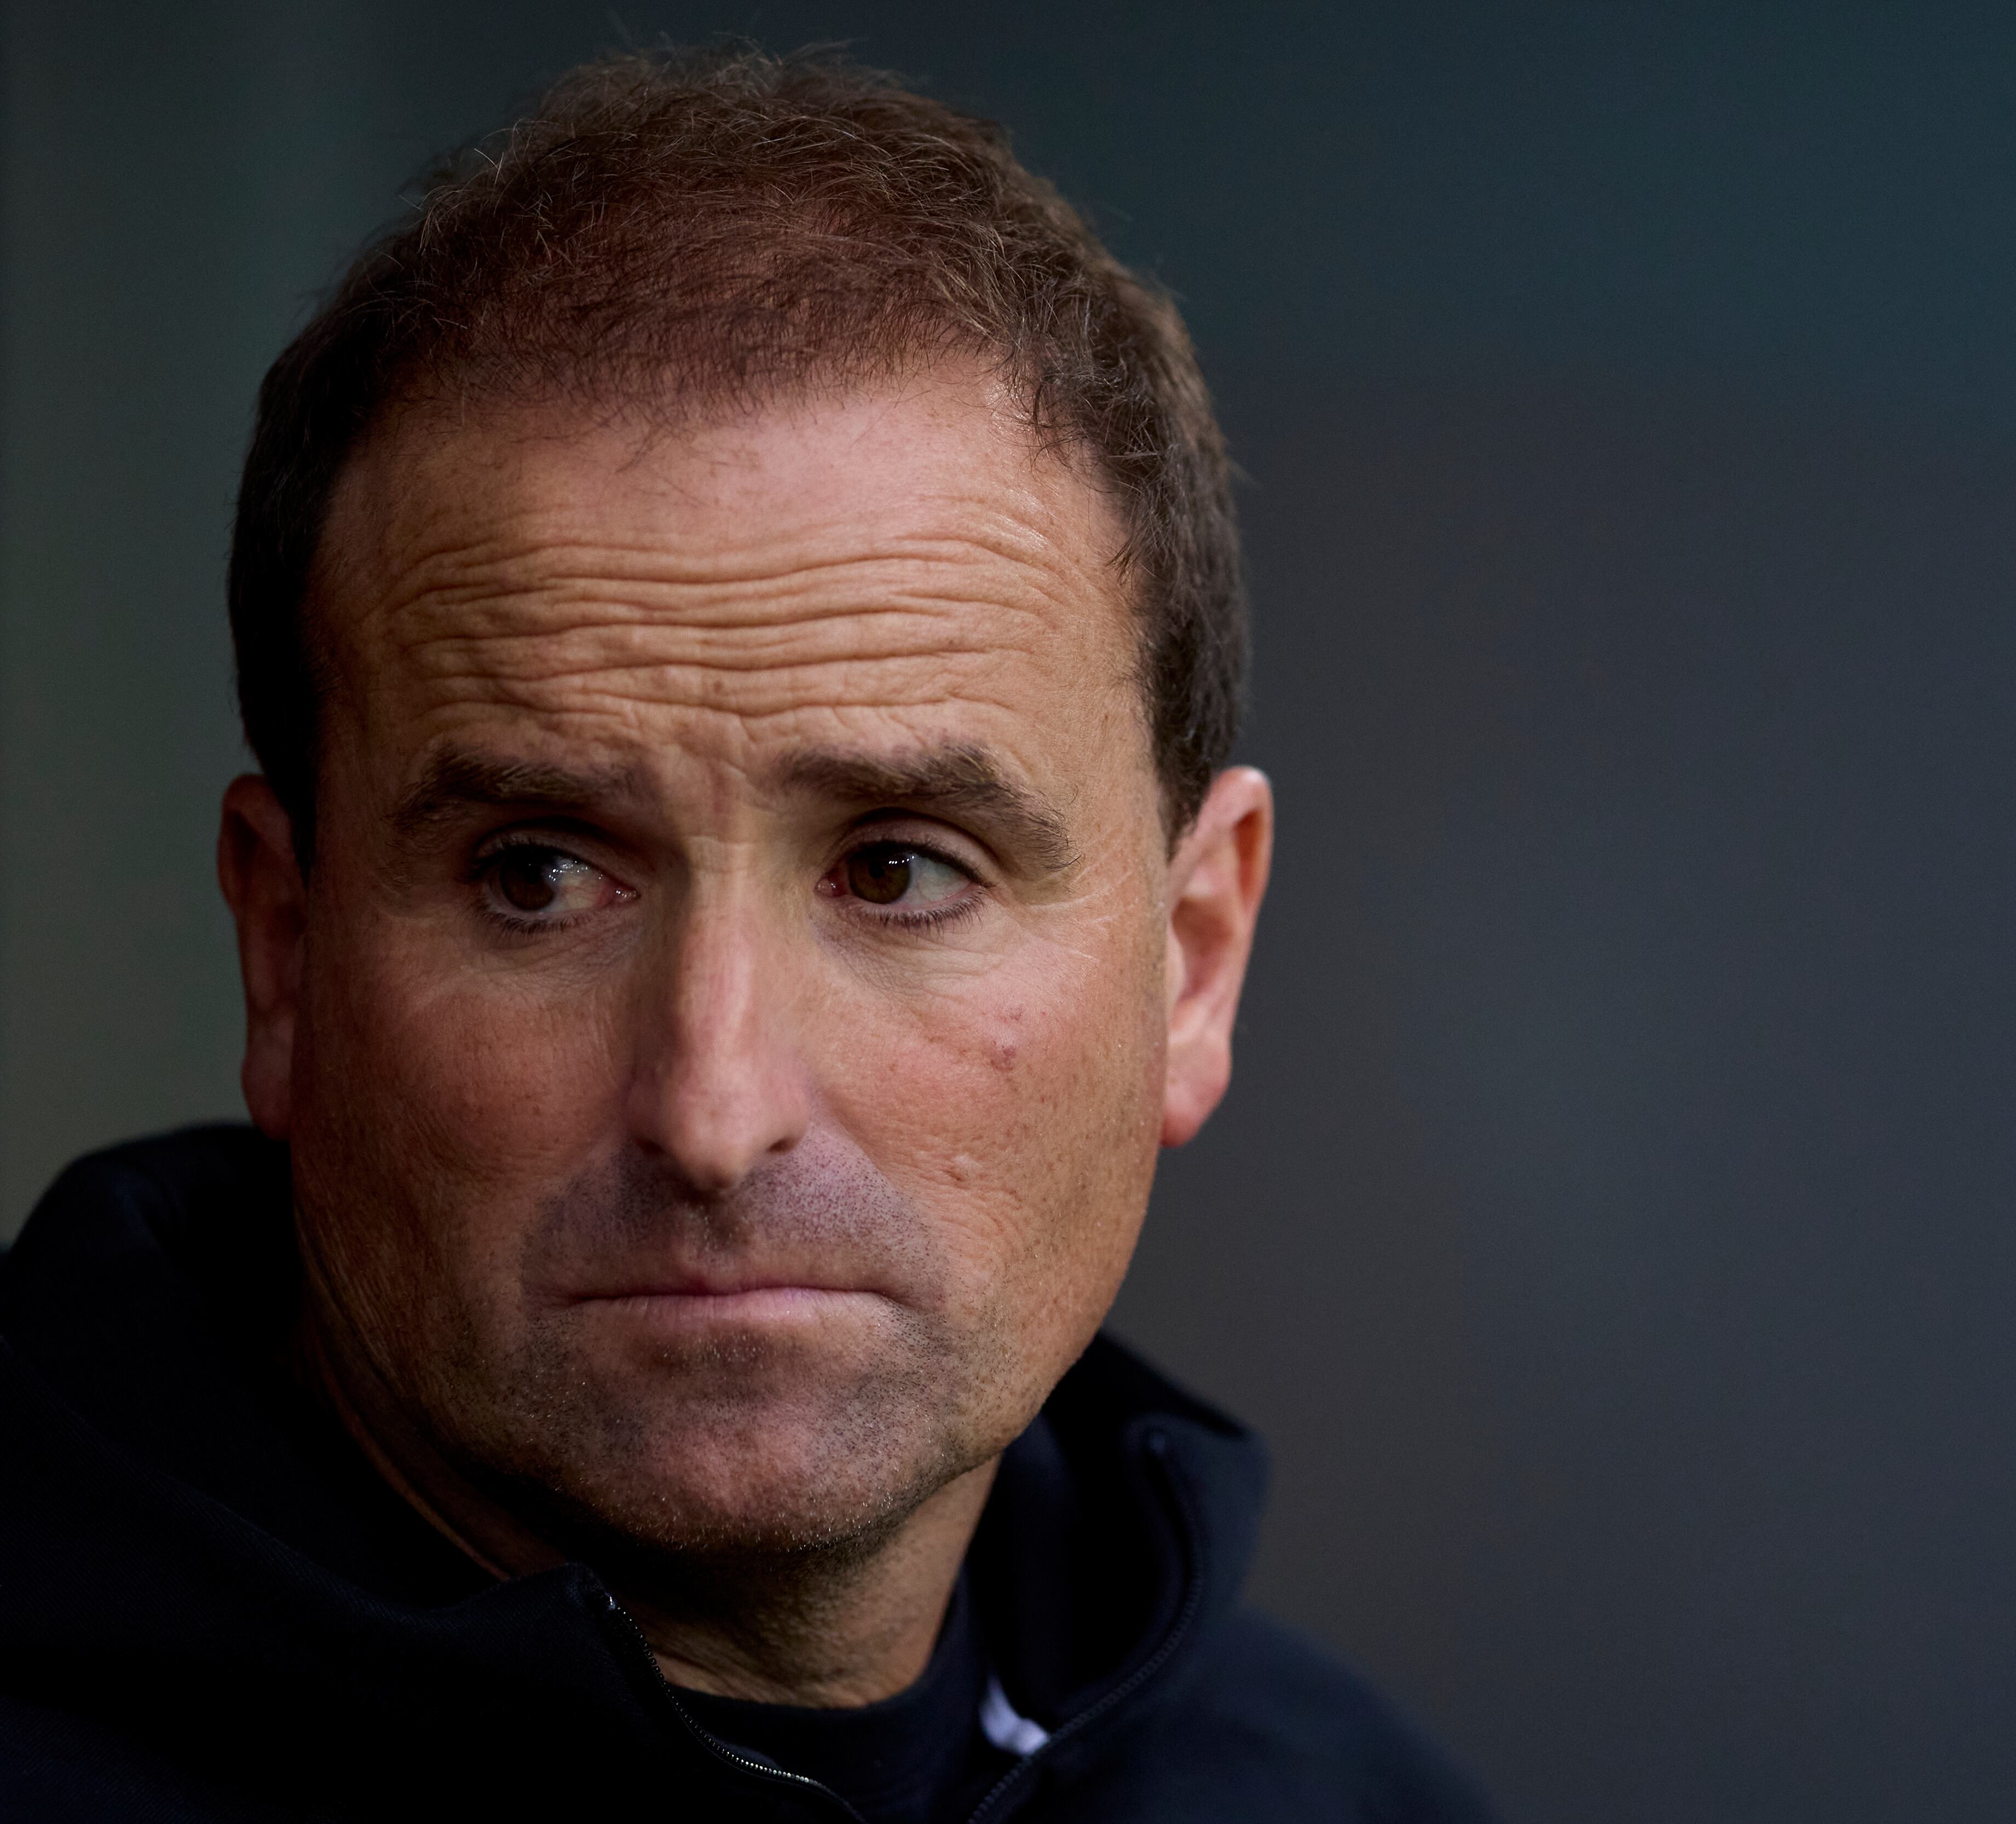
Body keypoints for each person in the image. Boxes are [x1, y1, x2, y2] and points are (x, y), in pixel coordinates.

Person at [0, 45, 1492, 1824]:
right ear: (287, 956)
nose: (714, 1113)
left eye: (898, 871)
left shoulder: (1347, 1800)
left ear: (1197, 959)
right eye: (538, 875)